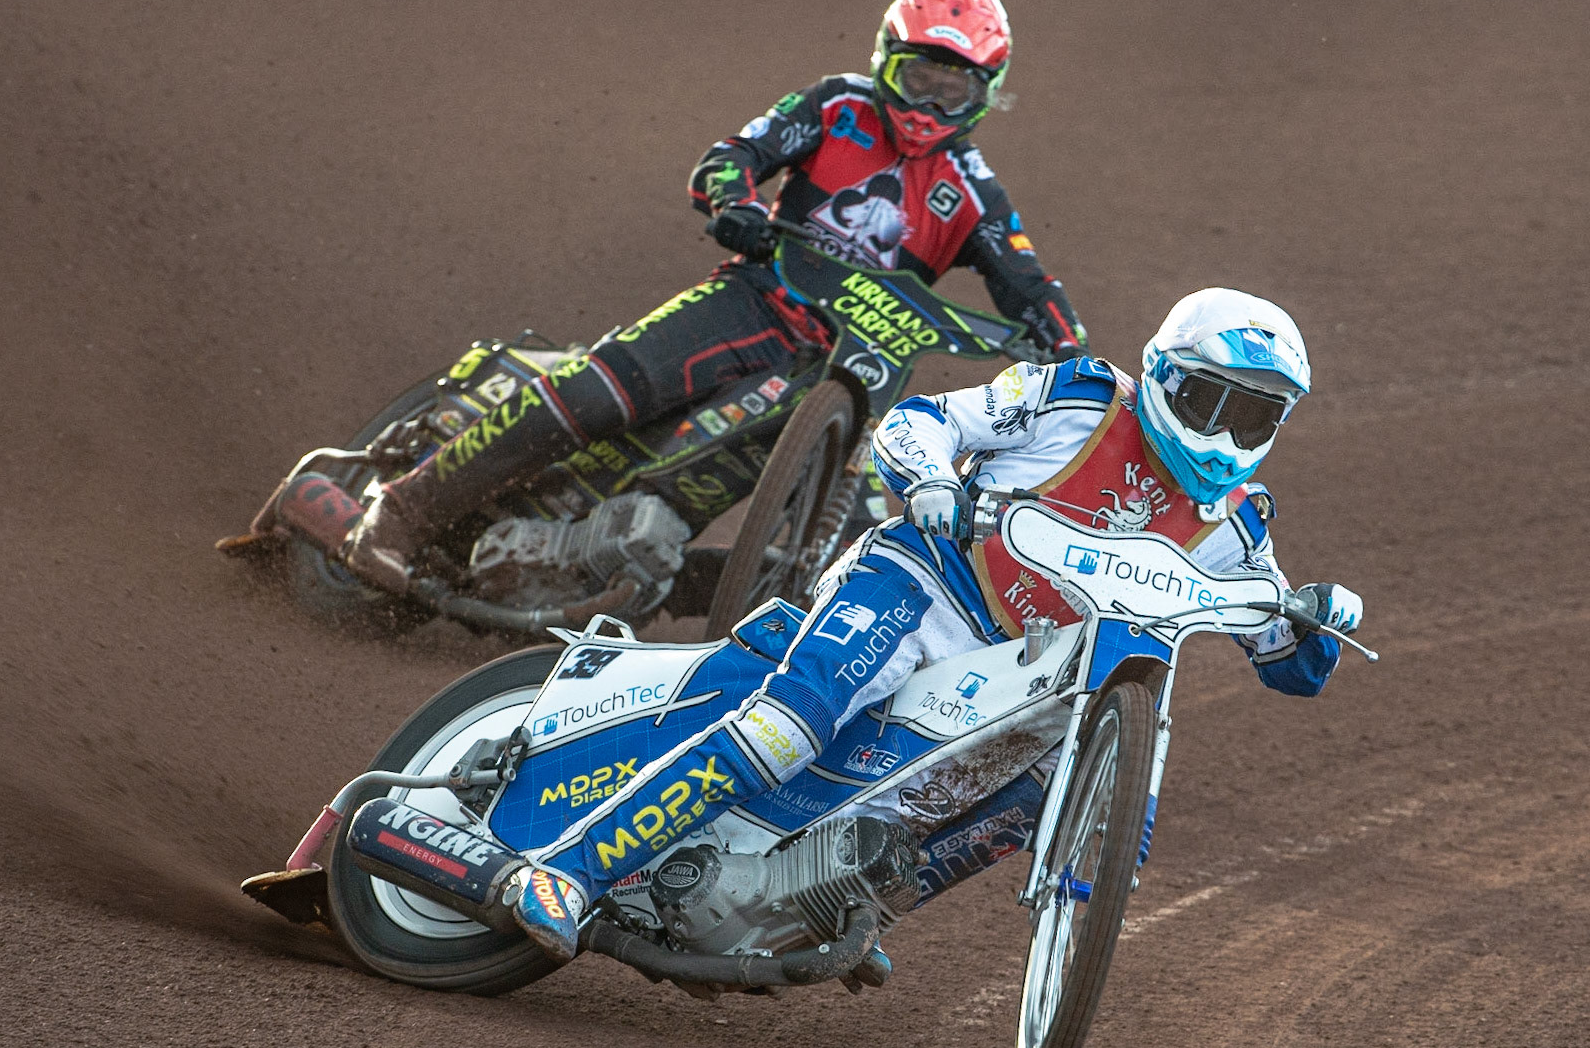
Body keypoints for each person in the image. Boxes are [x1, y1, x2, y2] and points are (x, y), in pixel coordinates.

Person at [505, 287, 1364, 957]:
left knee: (1039, 793)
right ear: (1165, 376)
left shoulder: (1237, 526)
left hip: (1023, 670)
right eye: (1210, 400)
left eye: (1251, 415)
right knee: (788, 723)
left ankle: (834, 908)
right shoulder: (1078, 397)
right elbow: (923, 419)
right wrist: (931, 482)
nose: (1224, 433)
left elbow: (1287, 658)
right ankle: (568, 870)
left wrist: (1316, 618)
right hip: (924, 587)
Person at [341, 0, 1087, 594]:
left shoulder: (973, 190)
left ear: (985, 94)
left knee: (841, 530)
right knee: (594, 394)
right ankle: (398, 513)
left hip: (842, 369)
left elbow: (1030, 284)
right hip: (755, 297)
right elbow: (731, 155)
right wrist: (733, 205)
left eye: (952, 90)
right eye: (917, 79)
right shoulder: (837, 105)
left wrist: (1069, 358)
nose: (927, 106)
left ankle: (625, 584)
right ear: (885, 61)